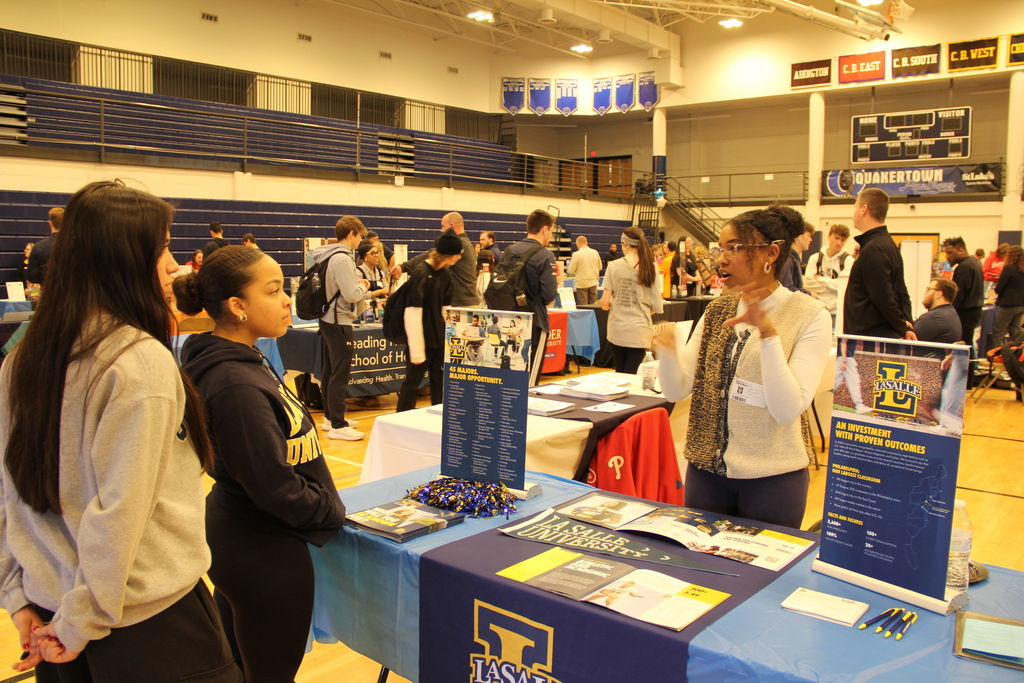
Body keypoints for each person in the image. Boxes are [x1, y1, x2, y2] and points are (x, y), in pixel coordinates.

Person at [0, 181, 241, 681]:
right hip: (142, 624)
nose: (174, 265)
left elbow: (9, 493)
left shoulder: (21, 357)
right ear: (122, 259)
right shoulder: (135, 360)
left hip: (59, 616)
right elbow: (119, 513)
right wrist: (74, 616)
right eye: (163, 248)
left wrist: (19, 595)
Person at [175, 246, 345, 682]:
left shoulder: (247, 359)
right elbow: (273, 486)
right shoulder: (233, 382)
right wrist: (330, 511)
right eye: (274, 291)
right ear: (238, 307)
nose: (289, 300)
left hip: (252, 537)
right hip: (259, 548)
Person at [656, 203, 830, 528]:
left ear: (771, 253)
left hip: (772, 481)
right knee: (701, 572)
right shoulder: (717, 310)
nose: (721, 259)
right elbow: (678, 389)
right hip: (705, 474)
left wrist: (767, 335)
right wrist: (667, 353)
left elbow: (786, 409)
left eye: (734, 248)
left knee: (758, 578)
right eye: (720, 248)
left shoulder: (810, 316)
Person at [311, 218, 370, 440]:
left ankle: (330, 416)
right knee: (340, 373)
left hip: (327, 319)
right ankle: (338, 423)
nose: (361, 240)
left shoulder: (327, 255)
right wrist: (363, 286)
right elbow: (351, 294)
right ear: (352, 233)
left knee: (329, 370)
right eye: (360, 236)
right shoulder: (343, 259)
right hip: (339, 321)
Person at [396, 232, 463, 412]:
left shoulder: (446, 274)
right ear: (448, 253)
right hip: (421, 340)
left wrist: (448, 338)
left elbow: (445, 309)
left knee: (439, 382)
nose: (460, 256)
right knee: (412, 383)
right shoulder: (421, 273)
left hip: (438, 338)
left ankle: (439, 415)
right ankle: (401, 418)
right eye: (458, 253)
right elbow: (412, 313)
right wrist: (417, 350)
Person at [843, 188, 915, 340]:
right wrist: (904, 323)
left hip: (869, 338)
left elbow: (883, 296)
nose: (853, 212)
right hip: (877, 335)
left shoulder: (874, 249)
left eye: (855, 206)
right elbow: (901, 291)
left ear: (864, 209)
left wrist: (902, 326)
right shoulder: (887, 244)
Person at [600, 226, 664, 374]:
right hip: (640, 330)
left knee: (620, 372)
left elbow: (604, 302)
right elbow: (657, 305)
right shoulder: (652, 267)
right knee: (633, 374)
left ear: (625, 243)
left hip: (618, 328)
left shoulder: (614, 266)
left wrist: (610, 306)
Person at [507, 209, 557, 386]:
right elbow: (549, 295)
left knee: (510, 373)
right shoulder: (545, 255)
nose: (551, 235)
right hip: (534, 322)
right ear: (544, 229)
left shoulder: (509, 250)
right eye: (551, 231)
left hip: (508, 319)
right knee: (530, 379)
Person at [393, 212, 477, 308]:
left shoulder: (458, 244)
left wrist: (403, 267)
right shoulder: (466, 242)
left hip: (461, 304)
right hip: (464, 301)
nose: (442, 230)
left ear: (451, 226)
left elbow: (430, 255)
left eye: (443, 226)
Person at [940, 236, 984, 362]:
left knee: (962, 349)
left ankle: (966, 379)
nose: (948, 256)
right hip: (973, 311)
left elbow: (958, 295)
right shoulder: (975, 262)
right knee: (967, 347)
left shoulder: (964, 267)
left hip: (965, 313)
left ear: (960, 250)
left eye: (950, 253)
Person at [803, 224, 851, 319]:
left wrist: (819, 278)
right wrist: (832, 287)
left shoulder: (848, 261)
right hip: (814, 310)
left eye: (842, 240)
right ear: (829, 236)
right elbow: (808, 283)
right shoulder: (815, 258)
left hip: (836, 313)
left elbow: (843, 286)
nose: (839, 242)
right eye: (836, 238)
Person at [990, 245, 1024, 350]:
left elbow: (999, 288)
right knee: (1015, 332)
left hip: (1008, 305)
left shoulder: (1009, 269)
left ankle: (996, 355)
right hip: (1021, 305)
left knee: (998, 333)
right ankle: (1017, 354)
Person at [914, 278, 962, 345]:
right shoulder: (951, 314)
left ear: (938, 294)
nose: (925, 293)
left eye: (928, 290)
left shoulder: (934, 317)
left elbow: (906, 340)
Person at [25, 207, 62, 287]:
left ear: (50, 224)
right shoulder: (77, 246)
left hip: (48, 291)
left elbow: (32, 277)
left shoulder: (39, 247)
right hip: (72, 295)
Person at [567, 235, 602, 305]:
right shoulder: (595, 252)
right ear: (586, 243)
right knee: (593, 305)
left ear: (578, 244)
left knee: (584, 305)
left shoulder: (576, 254)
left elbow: (570, 270)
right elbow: (600, 267)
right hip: (593, 282)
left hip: (582, 283)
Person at [780, 222, 814, 295]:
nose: (810, 239)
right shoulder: (788, 259)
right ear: (798, 236)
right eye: (808, 235)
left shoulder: (794, 258)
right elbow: (787, 288)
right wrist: (808, 294)